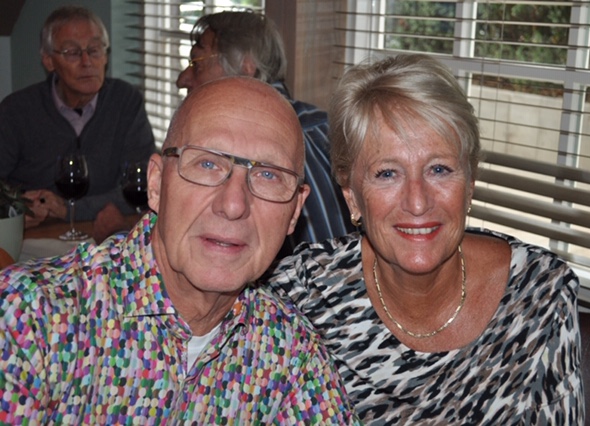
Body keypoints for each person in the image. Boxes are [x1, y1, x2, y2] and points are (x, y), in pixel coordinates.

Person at [0, 77, 359, 424]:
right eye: (208, 164)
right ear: (156, 184)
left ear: (294, 211)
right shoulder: (29, 320)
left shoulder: (290, 350)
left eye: (268, 175)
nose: (234, 205)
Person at [268, 54, 584, 424]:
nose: (417, 202)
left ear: (470, 183)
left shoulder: (540, 293)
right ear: (351, 195)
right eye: (387, 173)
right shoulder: (302, 296)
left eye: (439, 169)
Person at [176, 11, 354, 256]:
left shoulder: (277, 150)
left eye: (197, 64)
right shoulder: (325, 125)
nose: (182, 79)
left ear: (246, 67)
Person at [0, 6, 155, 230]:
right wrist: (17, 208)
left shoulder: (125, 101)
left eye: (95, 50)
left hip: (102, 233)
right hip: (38, 235)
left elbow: (145, 186)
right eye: (72, 52)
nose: (86, 61)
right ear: (49, 61)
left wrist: (69, 209)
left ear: (106, 55)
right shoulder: (16, 110)